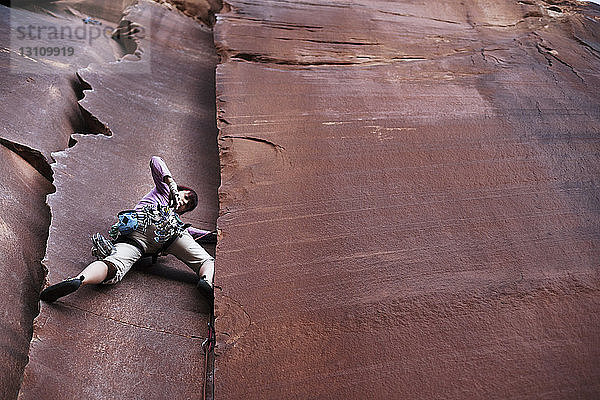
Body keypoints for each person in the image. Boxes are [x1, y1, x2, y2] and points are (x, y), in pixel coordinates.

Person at [40, 156, 215, 305]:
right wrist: (171, 184)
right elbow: (156, 160)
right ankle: (207, 278)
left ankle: (80, 279)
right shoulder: (162, 191)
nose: (184, 203)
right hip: (159, 230)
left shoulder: (177, 218)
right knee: (206, 261)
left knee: (115, 264)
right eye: (186, 197)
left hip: (145, 239)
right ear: (181, 190)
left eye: (187, 206)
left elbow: (197, 235)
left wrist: (213, 235)